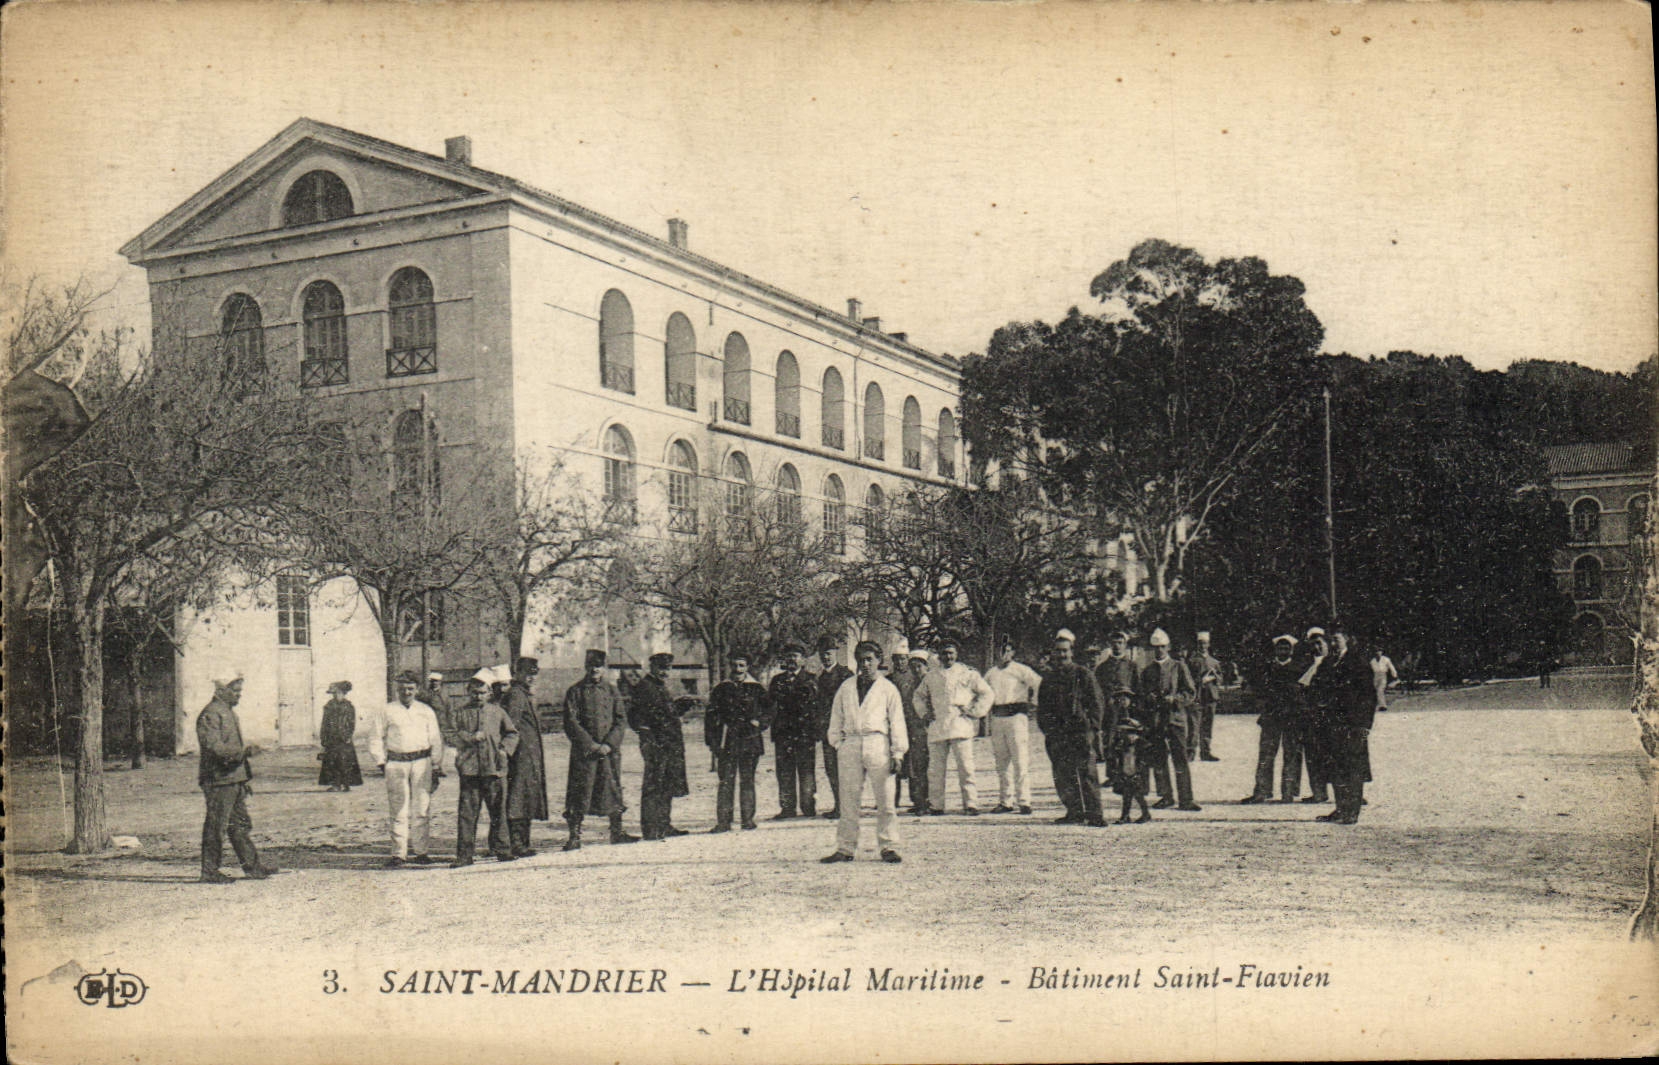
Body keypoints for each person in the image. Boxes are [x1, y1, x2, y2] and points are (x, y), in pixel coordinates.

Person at [820, 640, 908, 864]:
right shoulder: (847, 687)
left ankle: (889, 846)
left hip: (878, 742)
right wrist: (839, 743)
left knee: (886, 800)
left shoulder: (888, 689)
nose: (866, 664)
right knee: (848, 799)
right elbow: (836, 718)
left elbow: (897, 722)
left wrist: (897, 753)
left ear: (879, 661)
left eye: (870, 659)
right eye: (862, 660)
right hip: (851, 743)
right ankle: (845, 847)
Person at [196, 674, 278, 883]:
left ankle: (252, 867)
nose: (238, 696)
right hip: (219, 780)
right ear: (220, 691)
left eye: (239, 692)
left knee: (240, 825)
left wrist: (243, 780)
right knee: (216, 827)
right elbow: (214, 748)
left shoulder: (227, 713)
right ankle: (209, 871)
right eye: (235, 691)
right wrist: (243, 753)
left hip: (233, 780)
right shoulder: (211, 715)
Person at [368, 671, 447, 867]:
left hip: (422, 762)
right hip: (396, 763)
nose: (406, 692)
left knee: (421, 808)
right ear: (397, 689)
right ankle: (399, 854)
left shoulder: (426, 710)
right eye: (402, 688)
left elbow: (435, 739)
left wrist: (436, 763)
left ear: (417, 689)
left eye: (410, 688)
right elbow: (375, 737)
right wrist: (380, 761)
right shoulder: (386, 710)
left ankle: (421, 852)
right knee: (399, 808)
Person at [562, 649, 639, 850]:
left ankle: (617, 831)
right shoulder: (575, 691)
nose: (595, 669)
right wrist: (590, 745)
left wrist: (609, 744)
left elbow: (621, 720)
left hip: (608, 752)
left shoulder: (613, 691)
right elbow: (571, 722)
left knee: (612, 789)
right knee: (580, 792)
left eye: (598, 666)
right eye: (591, 666)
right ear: (586, 667)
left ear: (603, 668)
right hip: (585, 754)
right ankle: (574, 836)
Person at [444, 668, 520, 866]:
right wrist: (468, 738)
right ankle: (464, 855)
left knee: (498, 811)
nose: (478, 696)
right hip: (470, 770)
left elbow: (512, 733)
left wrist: (504, 750)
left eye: (482, 692)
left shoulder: (497, 711)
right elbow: (450, 733)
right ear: (468, 692)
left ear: (489, 693)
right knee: (467, 813)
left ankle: (502, 849)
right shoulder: (460, 712)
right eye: (474, 692)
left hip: (494, 769)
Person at [1036, 629, 1109, 827]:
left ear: (1072, 652)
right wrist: (1049, 731)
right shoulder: (1048, 678)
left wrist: (1092, 728)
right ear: (1053, 653)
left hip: (1080, 732)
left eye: (1065, 651)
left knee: (1087, 773)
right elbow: (1041, 709)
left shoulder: (1083, 674)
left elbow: (1097, 704)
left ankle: (1095, 814)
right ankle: (1074, 811)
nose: (1062, 655)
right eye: (1058, 651)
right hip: (1058, 735)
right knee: (1063, 774)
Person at [913, 637, 993, 815]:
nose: (948, 656)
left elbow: (987, 693)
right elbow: (918, 697)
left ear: (956, 654)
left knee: (966, 767)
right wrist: (925, 713)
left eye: (951, 652)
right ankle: (936, 805)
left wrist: (974, 711)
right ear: (939, 655)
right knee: (935, 770)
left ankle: (971, 804)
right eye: (944, 653)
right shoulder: (931, 676)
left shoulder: (968, 673)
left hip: (960, 725)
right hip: (938, 726)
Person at [706, 651, 773, 832]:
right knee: (726, 781)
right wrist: (713, 743)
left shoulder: (757, 689)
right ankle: (723, 822)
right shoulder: (721, 689)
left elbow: (769, 711)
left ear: (747, 667)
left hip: (750, 741)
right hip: (727, 742)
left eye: (741, 665)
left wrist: (760, 723)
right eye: (734, 665)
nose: (737, 669)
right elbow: (711, 717)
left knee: (747, 780)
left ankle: (747, 819)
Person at [629, 650, 690, 840]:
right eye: (661, 668)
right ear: (652, 667)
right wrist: (648, 739)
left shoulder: (660, 686)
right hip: (656, 744)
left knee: (667, 784)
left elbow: (664, 714)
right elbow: (635, 717)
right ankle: (651, 829)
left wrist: (680, 707)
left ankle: (664, 824)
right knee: (654, 786)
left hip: (669, 744)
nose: (665, 672)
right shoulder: (644, 686)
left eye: (667, 669)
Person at [1141, 628, 1201, 812]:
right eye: (1156, 647)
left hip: (1175, 720)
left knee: (1180, 759)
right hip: (1156, 721)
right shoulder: (1147, 670)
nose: (1159, 650)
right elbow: (1141, 694)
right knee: (1159, 760)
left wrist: (1175, 699)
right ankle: (1166, 796)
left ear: (1168, 647)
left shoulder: (1178, 666)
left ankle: (1186, 799)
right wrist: (1148, 698)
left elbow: (1190, 692)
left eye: (1162, 647)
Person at [1240, 635, 1305, 803]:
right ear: (1275, 650)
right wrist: (1263, 706)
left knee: (1292, 754)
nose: (1283, 651)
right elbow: (1257, 691)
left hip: (1292, 718)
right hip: (1271, 717)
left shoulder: (1300, 669)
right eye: (1280, 648)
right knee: (1266, 755)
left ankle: (1288, 792)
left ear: (1292, 650)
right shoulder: (1266, 668)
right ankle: (1262, 791)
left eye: (1287, 648)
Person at [984, 637, 1041, 815]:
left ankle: (1024, 801)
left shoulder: (1020, 670)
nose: (1003, 654)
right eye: (1001, 651)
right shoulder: (991, 673)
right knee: (1002, 763)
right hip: (997, 718)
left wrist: (1034, 701)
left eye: (1007, 650)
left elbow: (1038, 683)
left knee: (1020, 760)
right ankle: (1005, 801)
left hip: (1016, 717)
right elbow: (981, 691)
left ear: (1013, 652)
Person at [1325, 628, 1375, 825]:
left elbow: (1368, 696)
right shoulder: (1328, 662)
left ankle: (1352, 811)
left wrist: (1365, 724)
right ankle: (1340, 808)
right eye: (1331, 640)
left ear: (1346, 639)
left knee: (1353, 767)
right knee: (1336, 766)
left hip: (1354, 723)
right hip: (1333, 723)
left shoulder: (1358, 662)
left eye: (1336, 639)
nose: (1333, 644)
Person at [501, 658, 548, 858]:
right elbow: (510, 726)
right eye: (527, 673)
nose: (531, 677)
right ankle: (517, 843)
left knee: (526, 796)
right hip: (520, 756)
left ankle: (523, 841)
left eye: (534, 673)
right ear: (517, 673)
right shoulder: (516, 696)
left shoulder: (524, 694)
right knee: (519, 797)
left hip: (528, 755)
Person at [768, 642, 819, 819]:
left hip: (804, 734)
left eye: (795, 656)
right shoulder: (777, 681)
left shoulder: (811, 679)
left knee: (806, 772)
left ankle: (808, 806)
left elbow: (815, 708)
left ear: (803, 660)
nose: (791, 659)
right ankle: (787, 808)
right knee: (784, 772)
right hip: (783, 734)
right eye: (788, 656)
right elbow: (771, 707)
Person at [1296, 627, 1340, 812]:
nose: (1316, 646)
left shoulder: (1335, 662)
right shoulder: (1305, 663)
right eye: (1313, 643)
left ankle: (1348, 793)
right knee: (1313, 755)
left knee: (1337, 755)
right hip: (1311, 716)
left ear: (1327, 644)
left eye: (1320, 642)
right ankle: (1319, 792)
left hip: (1331, 716)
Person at [813, 637, 854, 820]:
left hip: (844, 730)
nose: (826, 657)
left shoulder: (846, 674)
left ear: (836, 653)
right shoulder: (820, 677)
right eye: (823, 654)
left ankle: (848, 807)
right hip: (827, 731)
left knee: (846, 769)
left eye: (829, 654)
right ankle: (839, 805)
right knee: (831, 769)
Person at [902, 651, 934, 815]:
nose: (916, 670)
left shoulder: (932, 684)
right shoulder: (909, 686)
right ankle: (917, 800)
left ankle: (928, 802)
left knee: (927, 767)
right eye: (913, 667)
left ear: (926, 667)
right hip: (912, 731)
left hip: (928, 730)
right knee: (915, 767)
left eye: (919, 666)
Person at [317, 680, 362, 792]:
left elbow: (352, 723)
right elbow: (324, 723)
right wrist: (323, 738)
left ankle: (346, 784)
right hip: (332, 738)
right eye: (334, 694)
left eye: (338, 693)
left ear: (343, 693)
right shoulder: (329, 706)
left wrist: (348, 735)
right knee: (332, 762)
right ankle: (335, 784)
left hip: (344, 738)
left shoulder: (349, 706)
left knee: (346, 762)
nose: (335, 696)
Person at [1188, 630, 1223, 761]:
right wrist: (1200, 681)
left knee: (1208, 725)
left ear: (1208, 644)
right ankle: (1190, 752)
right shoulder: (1191, 661)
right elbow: (1188, 679)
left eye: (1205, 643)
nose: (1202, 646)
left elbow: (1220, 679)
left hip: (1210, 697)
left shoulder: (1214, 662)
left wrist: (1215, 677)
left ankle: (1205, 752)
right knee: (1194, 726)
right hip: (1197, 697)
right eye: (1200, 643)